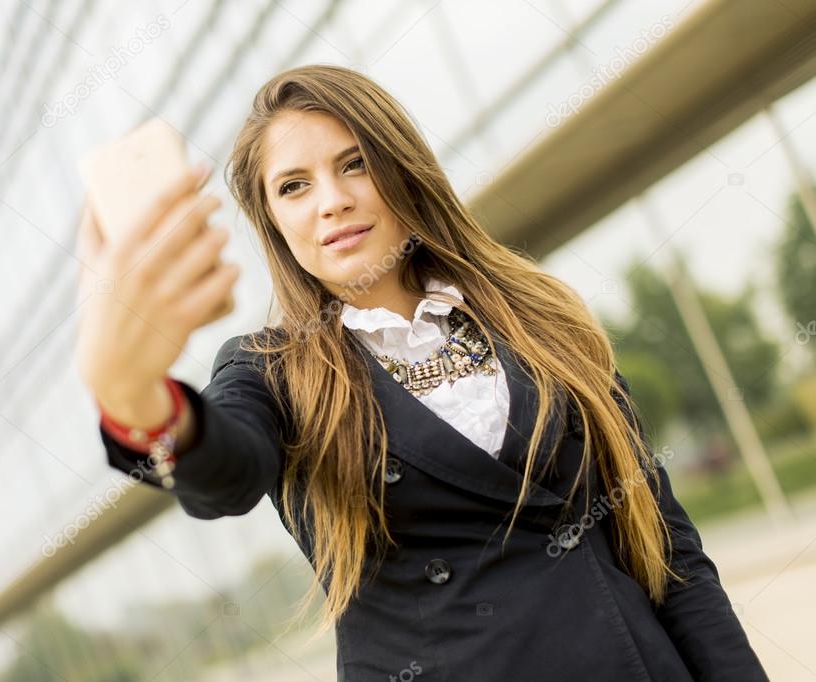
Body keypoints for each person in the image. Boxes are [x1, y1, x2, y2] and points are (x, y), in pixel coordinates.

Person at [75, 64, 768, 681]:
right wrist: (135, 395)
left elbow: (669, 552)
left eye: (354, 164)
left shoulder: (541, 318)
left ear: (402, 168)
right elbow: (223, 477)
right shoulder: (273, 369)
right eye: (293, 186)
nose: (331, 200)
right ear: (274, 225)